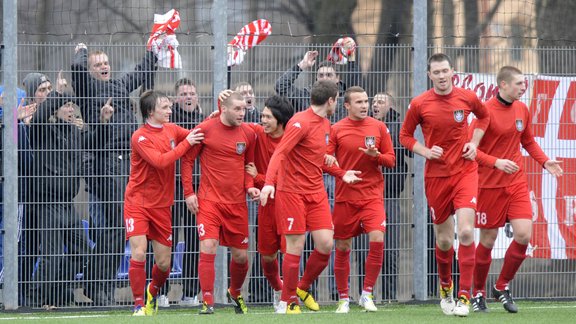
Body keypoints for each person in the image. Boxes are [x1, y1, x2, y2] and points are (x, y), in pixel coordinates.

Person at [399, 53, 490, 317]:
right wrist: (425, 151)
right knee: (443, 240)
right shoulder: (419, 103)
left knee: (465, 233)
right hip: (436, 177)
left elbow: (484, 118)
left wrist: (474, 143)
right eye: (436, 72)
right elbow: (404, 135)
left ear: (453, 72)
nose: (441, 76)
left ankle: (464, 297)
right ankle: (445, 288)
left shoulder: (467, 97)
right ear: (429, 75)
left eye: (445, 71)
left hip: (465, 172)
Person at [260, 80, 361, 314]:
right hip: (292, 192)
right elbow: (280, 153)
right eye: (337, 101)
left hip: (316, 192)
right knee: (296, 245)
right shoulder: (299, 122)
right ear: (331, 100)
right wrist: (268, 184)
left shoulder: (326, 124)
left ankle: (302, 287)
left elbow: (317, 159)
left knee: (326, 244)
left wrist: (341, 172)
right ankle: (289, 301)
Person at [470, 66, 563, 313]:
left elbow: (528, 140)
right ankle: (478, 292)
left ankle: (501, 286)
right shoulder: (485, 112)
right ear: (503, 84)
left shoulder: (522, 108)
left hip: (516, 183)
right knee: (487, 241)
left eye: (524, 83)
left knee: (524, 235)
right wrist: (496, 162)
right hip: (489, 185)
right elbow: (470, 151)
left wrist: (545, 161)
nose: (524, 87)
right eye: (519, 83)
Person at [71, 43, 157, 305]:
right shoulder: (88, 89)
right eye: (98, 65)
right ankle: (98, 285)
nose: (104, 67)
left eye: (106, 63)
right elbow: (76, 68)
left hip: (127, 164)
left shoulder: (119, 85)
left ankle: (99, 284)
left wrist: (154, 49)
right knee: (116, 226)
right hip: (107, 163)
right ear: (91, 70)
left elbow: (142, 72)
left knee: (117, 228)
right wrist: (83, 51)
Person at [123, 90, 204, 316]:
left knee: (164, 263)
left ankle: (152, 292)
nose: (170, 111)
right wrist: (185, 143)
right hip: (137, 203)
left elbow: (196, 134)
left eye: (170, 107)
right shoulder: (139, 136)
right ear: (151, 111)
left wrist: (216, 117)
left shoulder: (171, 129)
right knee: (138, 252)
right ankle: (138, 304)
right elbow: (160, 161)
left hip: (162, 205)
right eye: (165, 108)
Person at [181, 91, 259, 315]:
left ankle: (234, 292)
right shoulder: (206, 129)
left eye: (244, 109)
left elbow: (248, 165)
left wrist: (250, 186)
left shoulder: (249, 134)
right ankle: (207, 300)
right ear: (223, 109)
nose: (242, 113)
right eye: (237, 109)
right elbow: (187, 161)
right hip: (209, 201)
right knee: (208, 246)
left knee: (241, 257)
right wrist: (189, 193)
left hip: (237, 204)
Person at [323, 86, 395, 313]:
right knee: (343, 246)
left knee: (377, 238)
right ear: (346, 106)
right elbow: (325, 160)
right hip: (345, 198)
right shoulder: (336, 130)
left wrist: (377, 156)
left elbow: (391, 160)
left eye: (366, 101)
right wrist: (341, 172)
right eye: (359, 102)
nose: (365, 105)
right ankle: (344, 298)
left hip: (372, 196)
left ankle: (367, 294)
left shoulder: (379, 127)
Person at [27, 93, 90, 308]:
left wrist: (97, 123)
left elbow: (90, 146)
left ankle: (56, 293)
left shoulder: (74, 131)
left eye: (73, 105)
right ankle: (33, 301)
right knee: (51, 256)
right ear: (55, 110)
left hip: (68, 203)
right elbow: (40, 116)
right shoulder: (43, 130)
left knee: (81, 249)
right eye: (66, 106)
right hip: (48, 203)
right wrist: (56, 94)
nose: (71, 110)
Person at [244, 95, 294, 309]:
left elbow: (286, 179)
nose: (262, 120)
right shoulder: (257, 133)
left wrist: (259, 178)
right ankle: (278, 289)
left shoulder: (292, 140)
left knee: (289, 253)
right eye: (262, 115)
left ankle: (288, 297)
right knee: (266, 256)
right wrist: (221, 108)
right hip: (266, 207)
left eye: (267, 117)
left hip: (289, 204)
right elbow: (234, 121)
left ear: (280, 120)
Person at [157, 78, 204, 307]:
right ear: (176, 98)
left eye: (192, 92)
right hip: (171, 187)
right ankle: (161, 291)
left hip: (198, 188)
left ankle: (190, 293)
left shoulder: (203, 121)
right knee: (168, 238)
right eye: (184, 93)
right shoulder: (169, 122)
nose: (188, 96)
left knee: (196, 239)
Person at [372, 92, 412, 301]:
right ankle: (365, 294)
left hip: (390, 195)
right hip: (367, 195)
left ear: (391, 106)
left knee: (391, 248)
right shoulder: (364, 125)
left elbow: (412, 153)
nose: (375, 105)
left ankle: (389, 296)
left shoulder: (399, 127)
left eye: (381, 102)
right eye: (374, 102)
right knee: (364, 250)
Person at [274, 38, 360, 124]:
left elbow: (353, 81)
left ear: (337, 78)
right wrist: (302, 65)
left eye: (329, 75)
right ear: (316, 79)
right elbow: (280, 86)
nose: (324, 78)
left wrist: (351, 57)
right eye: (321, 75)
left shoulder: (346, 96)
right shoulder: (306, 96)